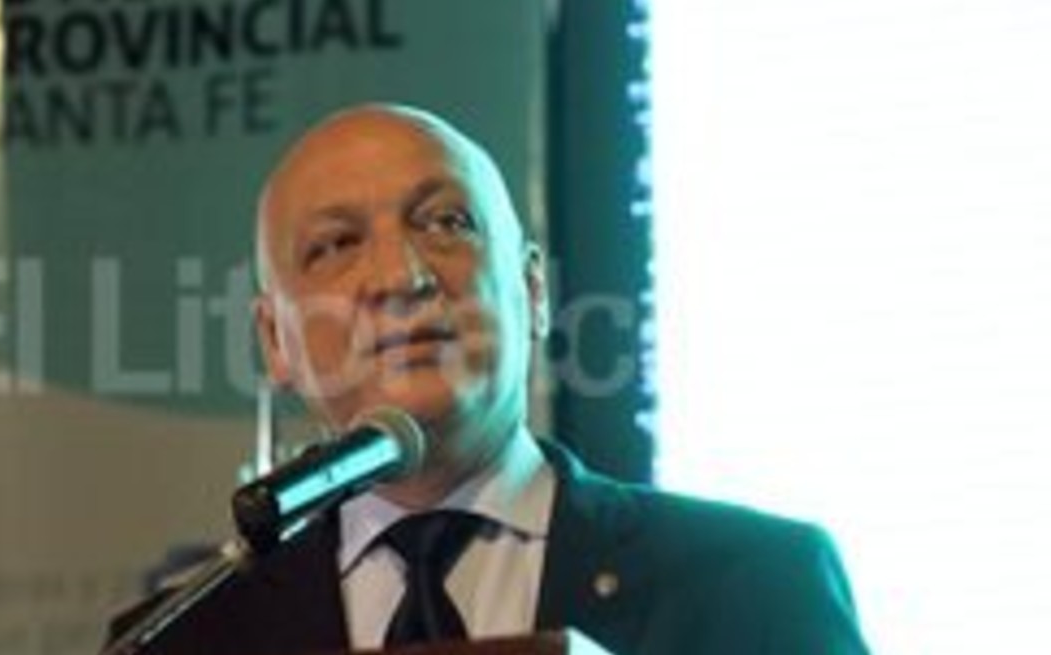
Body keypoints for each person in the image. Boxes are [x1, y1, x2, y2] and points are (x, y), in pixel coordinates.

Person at [108, 104, 870, 654]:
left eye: (447, 223)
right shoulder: (181, 639)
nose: (400, 276)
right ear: (275, 340)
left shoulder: (754, 584)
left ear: (533, 289)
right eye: (335, 245)